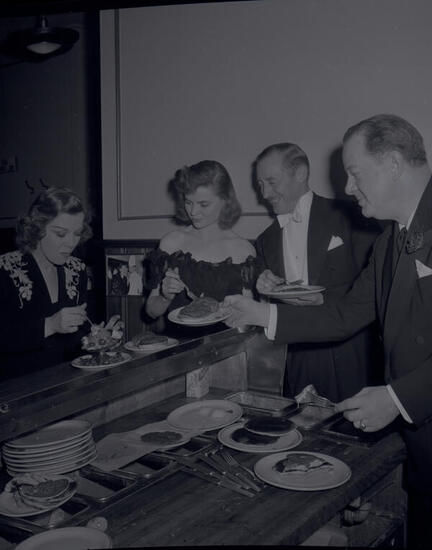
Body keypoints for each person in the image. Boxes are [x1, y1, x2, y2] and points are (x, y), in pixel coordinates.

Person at [223, 114, 432, 548]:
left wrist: (397, 398)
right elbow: (345, 314)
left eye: (355, 173)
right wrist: (263, 314)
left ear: (393, 164)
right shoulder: (389, 241)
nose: (348, 188)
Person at [254, 142, 382, 401]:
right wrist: (265, 286)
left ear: (300, 173)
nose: (264, 193)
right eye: (260, 184)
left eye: (272, 182)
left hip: (352, 355)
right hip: (297, 357)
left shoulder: (352, 214)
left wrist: (324, 297)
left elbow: (378, 284)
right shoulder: (265, 240)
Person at [145, 160, 259, 331]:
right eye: (188, 202)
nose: (193, 212)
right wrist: (165, 296)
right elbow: (151, 311)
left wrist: (234, 316)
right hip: (180, 344)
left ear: (225, 200)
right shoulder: (171, 243)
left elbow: (248, 323)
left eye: (203, 204)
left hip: (226, 345)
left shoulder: (243, 250)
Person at [0, 187, 91, 380]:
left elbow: (76, 335)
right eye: (60, 234)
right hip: (16, 386)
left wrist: (96, 335)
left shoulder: (77, 269)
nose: (71, 243)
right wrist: (48, 326)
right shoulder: (5, 269)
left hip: (66, 381)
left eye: (77, 233)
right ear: (37, 229)